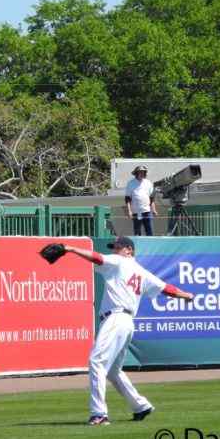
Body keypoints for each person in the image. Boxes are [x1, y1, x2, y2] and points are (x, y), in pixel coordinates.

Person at [61, 237, 194, 425]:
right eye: (114, 248)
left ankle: (99, 413)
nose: (114, 251)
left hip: (115, 318)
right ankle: (141, 406)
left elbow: (97, 258)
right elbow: (166, 289)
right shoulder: (141, 271)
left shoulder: (119, 261)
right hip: (127, 321)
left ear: (129, 250)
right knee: (113, 371)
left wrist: (71, 249)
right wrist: (186, 295)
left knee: (97, 361)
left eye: (117, 247)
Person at [124, 165, 156, 236]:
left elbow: (152, 198)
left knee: (149, 230)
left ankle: (151, 244)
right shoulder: (131, 183)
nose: (142, 174)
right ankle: (138, 245)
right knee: (137, 231)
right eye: (140, 172)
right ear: (136, 173)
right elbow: (127, 198)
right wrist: (129, 211)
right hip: (136, 211)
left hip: (147, 211)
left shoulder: (148, 183)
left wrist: (153, 209)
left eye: (143, 172)